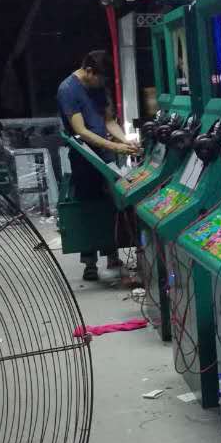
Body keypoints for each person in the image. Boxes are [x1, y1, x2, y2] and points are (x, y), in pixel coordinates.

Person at [57, 49, 138, 282]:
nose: (103, 85)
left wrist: (126, 142)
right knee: (89, 206)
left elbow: (109, 121)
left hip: (105, 154)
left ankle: (112, 254)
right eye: (101, 79)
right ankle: (89, 262)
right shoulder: (68, 90)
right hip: (84, 157)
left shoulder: (99, 86)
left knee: (112, 203)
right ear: (89, 71)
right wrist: (115, 147)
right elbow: (81, 131)